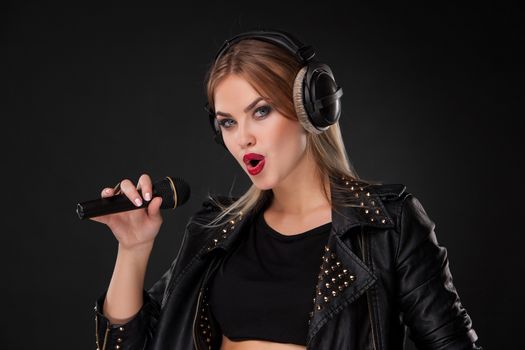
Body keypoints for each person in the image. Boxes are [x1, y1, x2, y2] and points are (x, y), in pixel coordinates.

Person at [91, 29, 483, 350]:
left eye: (261, 111)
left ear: (313, 108)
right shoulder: (214, 232)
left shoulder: (387, 226)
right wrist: (133, 248)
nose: (243, 138)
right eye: (228, 123)